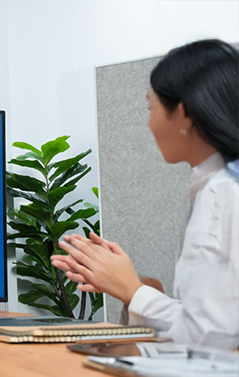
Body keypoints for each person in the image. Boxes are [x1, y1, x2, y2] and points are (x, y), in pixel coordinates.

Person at [51, 39, 239, 349]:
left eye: (151, 107)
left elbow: (209, 340)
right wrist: (127, 285)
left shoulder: (222, 195)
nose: (149, 122)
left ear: (184, 113)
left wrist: (131, 290)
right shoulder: (215, 186)